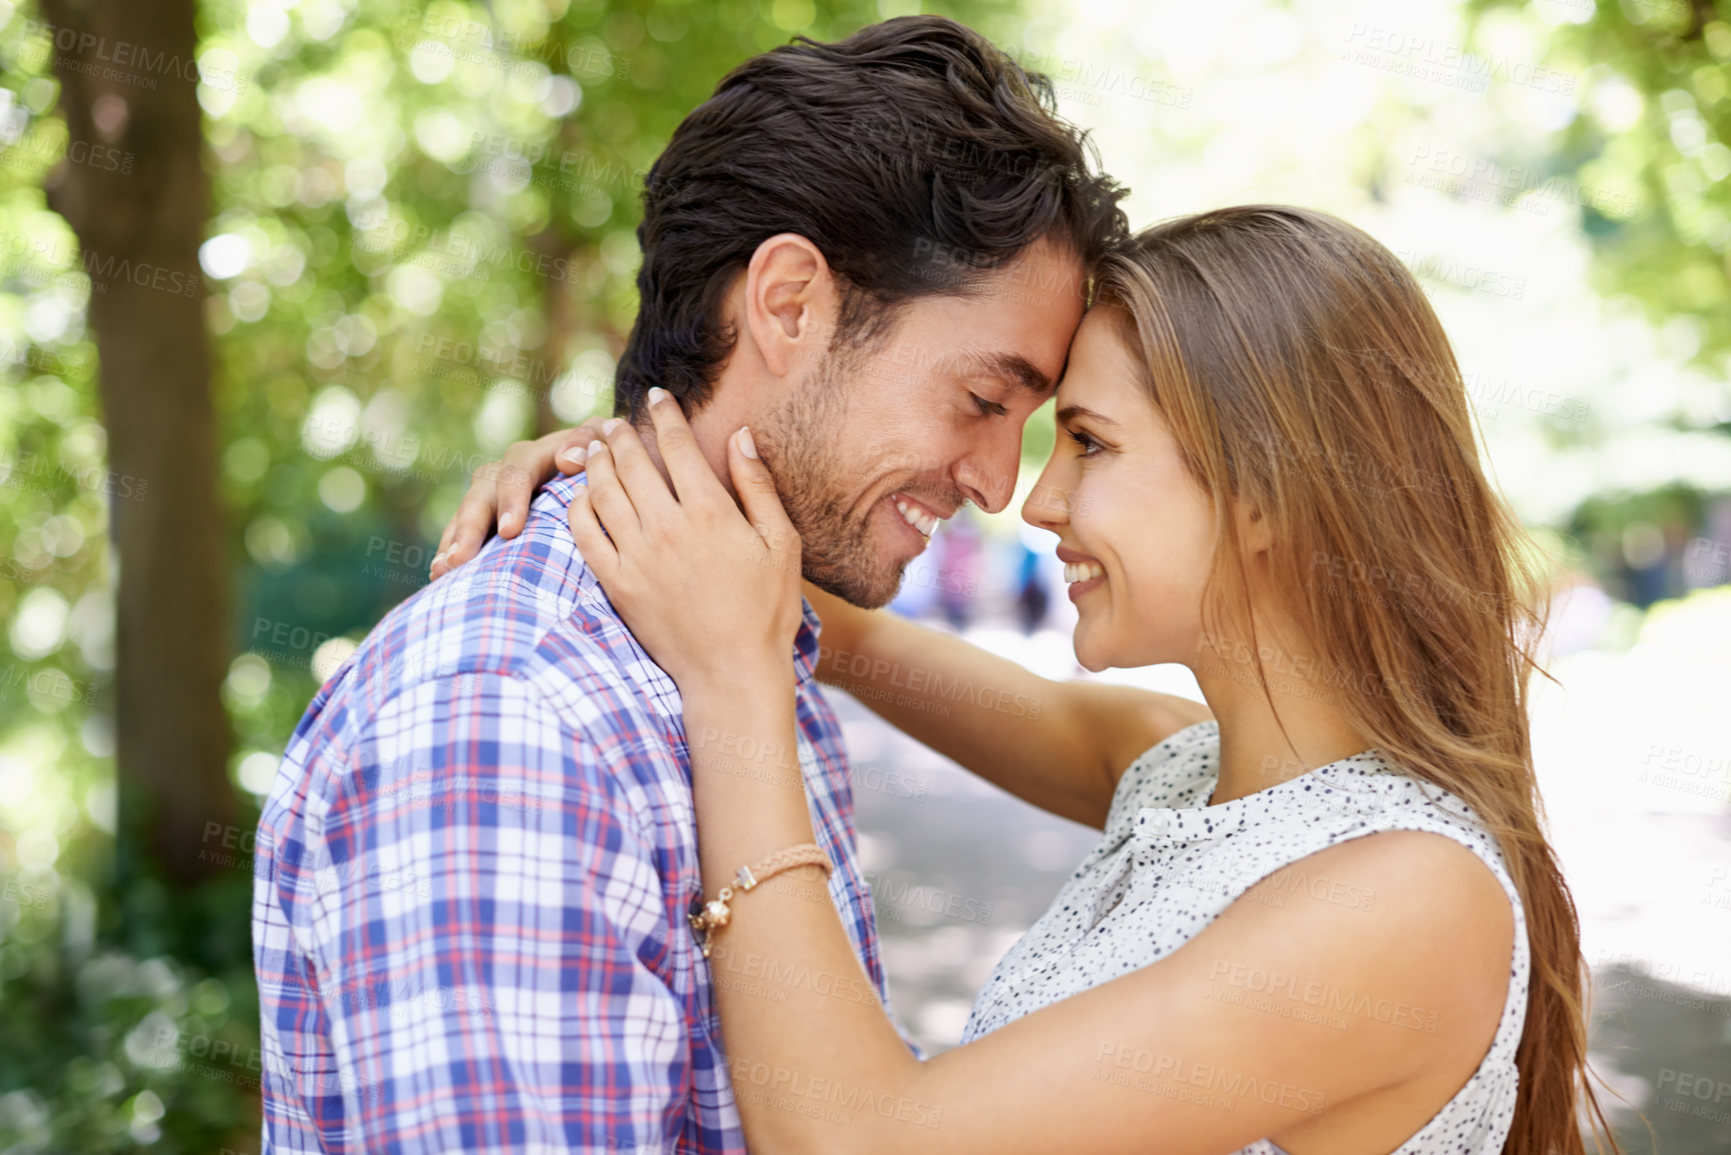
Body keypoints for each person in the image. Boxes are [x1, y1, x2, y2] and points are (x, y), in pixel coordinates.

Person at [446, 207, 1620, 1154]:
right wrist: (635, 484)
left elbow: (857, 1142)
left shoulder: (1403, 901)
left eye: (1092, 445)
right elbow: (837, 635)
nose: (1035, 500)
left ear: (1269, 492)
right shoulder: (1186, 770)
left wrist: (734, 689)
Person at [249, 15, 1133, 1153]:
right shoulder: (509, 719)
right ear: (787, 304)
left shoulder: (747, 652)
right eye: (980, 400)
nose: (998, 485)